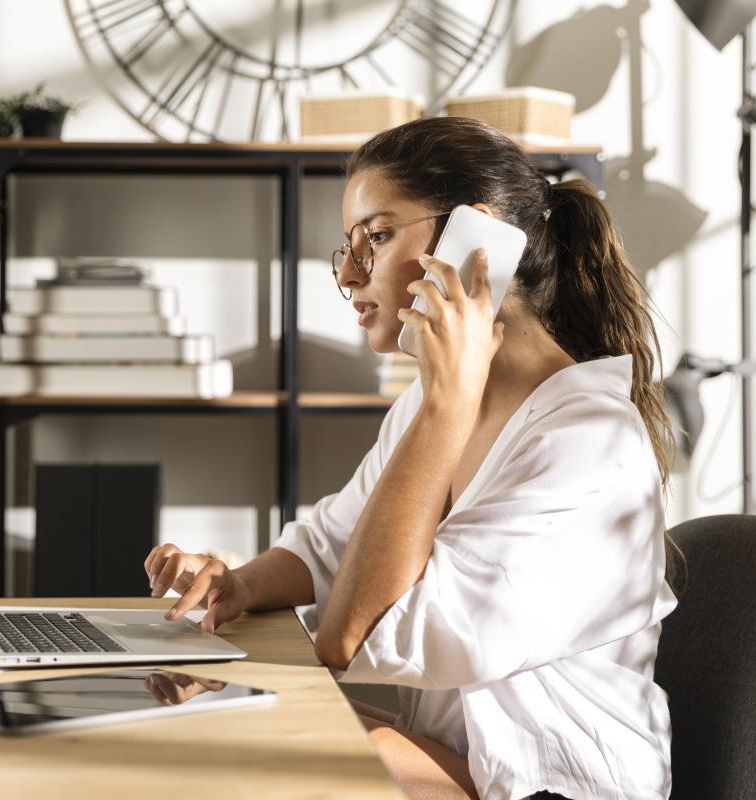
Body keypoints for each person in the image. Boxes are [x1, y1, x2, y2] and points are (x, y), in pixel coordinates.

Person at [143, 117, 678, 800]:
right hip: (462, 764)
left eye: (377, 235)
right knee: (219, 718)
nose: (346, 272)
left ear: (474, 244)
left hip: (555, 786)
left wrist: (446, 409)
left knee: (272, 742)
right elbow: (335, 544)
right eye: (348, 244)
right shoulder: (427, 408)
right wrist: (241, 585)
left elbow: (354, 634)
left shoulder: (586, 440)